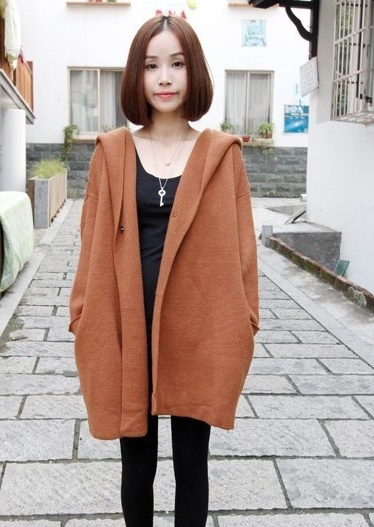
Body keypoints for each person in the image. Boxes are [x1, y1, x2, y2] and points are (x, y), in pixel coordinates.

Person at [69, 14, 259, 527]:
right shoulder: (112, 153)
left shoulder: (222, 155)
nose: (165, 78)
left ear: (194, 71)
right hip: (129, 329)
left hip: (199, 332)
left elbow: (243, 249)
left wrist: (246, 318)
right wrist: (82, 313)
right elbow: (89, 242)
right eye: (152, 66)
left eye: (177, 63)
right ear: (137, 75)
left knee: (192, 466)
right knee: (137, 467)